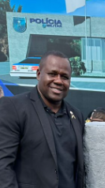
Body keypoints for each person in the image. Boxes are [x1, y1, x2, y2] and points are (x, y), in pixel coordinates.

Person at [0, 51, 85, 188]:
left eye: (65, 77)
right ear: (39, 74)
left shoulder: (77, 116)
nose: (58, 81)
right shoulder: (13, 107)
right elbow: (3, 167)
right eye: (52, 74)